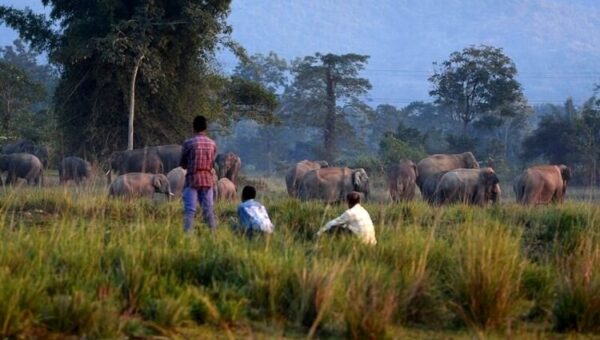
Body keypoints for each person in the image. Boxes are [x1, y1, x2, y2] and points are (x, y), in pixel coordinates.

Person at [180, 115, 217, 232]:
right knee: (208, 210)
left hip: (192, 180)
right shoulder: (212, 144)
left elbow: (183, 164)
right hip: (207, 180)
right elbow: (212, 164)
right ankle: (214, 235)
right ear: (205, 128)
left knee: (190, 210)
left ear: (193, 127)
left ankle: (187, 238)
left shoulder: (188, 143)